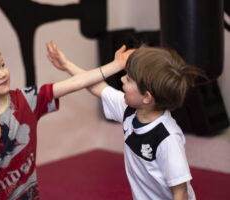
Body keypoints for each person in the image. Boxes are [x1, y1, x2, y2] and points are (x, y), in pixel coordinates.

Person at [0, 38, 131, 200]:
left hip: (27, 195)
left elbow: (74, 84)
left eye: (2, 65)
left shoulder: (27, 99)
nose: (2, 73)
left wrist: (115, 66)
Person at [47, 40, 205, 200]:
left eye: (129, 79)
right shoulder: (129, 110)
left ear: (146, 97)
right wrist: (67, 64)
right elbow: (97, 86)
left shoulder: (167, 138)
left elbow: (180, 191)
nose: (122, 79)